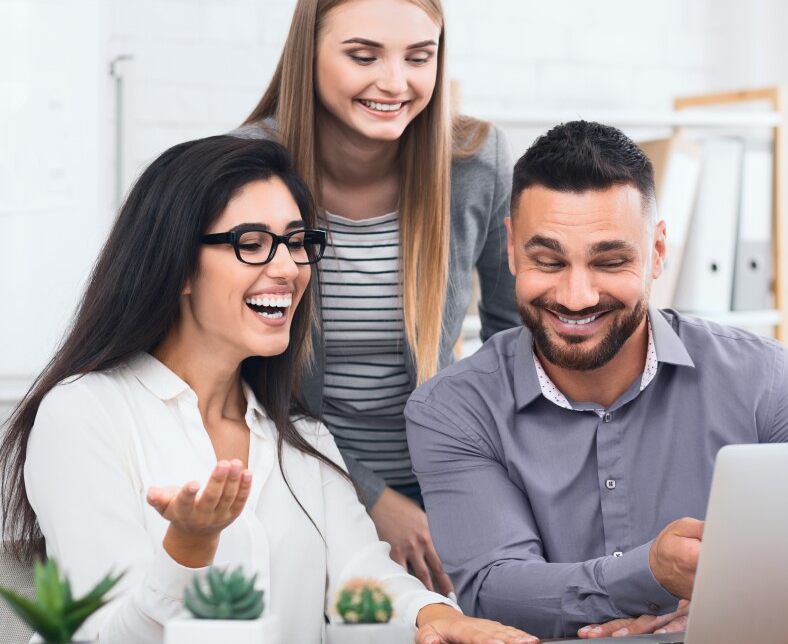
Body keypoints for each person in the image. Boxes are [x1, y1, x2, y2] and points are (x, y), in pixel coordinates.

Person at [0, 137, 535, 644]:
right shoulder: (84, 413)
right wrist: (186, 549)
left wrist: (442, 616)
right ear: (178, 266)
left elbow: (362, 574)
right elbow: (106, 636)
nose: (288, 268)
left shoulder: (303, 438)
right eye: (251, 244)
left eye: (298, 243)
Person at [404, 121, 788, 638]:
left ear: (656, 252)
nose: (577, 295)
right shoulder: (452, 409)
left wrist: (730, 609)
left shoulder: (765, 380)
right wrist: (651, 574)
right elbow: (495, 589)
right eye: (548, 260)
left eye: (610, 261)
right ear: (513, 249)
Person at [234, 0, 520, 595]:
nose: (396, 82)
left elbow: (513, 342)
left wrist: (478, 484)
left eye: (420, 57)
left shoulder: (478, 161)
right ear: (310, 53)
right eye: (364, 56)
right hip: (298, 472)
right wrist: (369, 495)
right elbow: (238, 374)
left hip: (445, 472)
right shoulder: (247, 167)